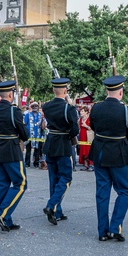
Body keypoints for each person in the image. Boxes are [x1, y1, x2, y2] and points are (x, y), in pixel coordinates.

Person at [88, 76, 128, 242]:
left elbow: (94, 127)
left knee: (102, 193)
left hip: (100, 153)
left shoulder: (96, 108)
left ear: (106, 91)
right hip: (119, 154)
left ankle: (102, 231)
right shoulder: (126, 111)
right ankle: (115, 228)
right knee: (125, 191)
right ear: (121, 92)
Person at [0, 80, 29, 232]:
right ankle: (1, 213)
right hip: (11, 149)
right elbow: (24, 133)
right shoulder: (14, 111)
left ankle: (6, 220)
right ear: (11, 94)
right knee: (21, 184)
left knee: (3, 184)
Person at [41, 77, 80, 225]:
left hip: (51, 143)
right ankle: (52, 205)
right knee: (65, 178)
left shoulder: (47, 106)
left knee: (54, 178)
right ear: (65, 90)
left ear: (53, 90)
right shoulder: (68, 108)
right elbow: (74, 129)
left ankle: (57, 210)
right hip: (63, 144)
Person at [23, 102, 44, 168]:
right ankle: (27, 163)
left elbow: (42, 126)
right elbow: (24, 124)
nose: (35, 107)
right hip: (30, 135)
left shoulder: (40, 115)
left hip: (38, 135)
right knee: (28, 150)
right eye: (33, 106)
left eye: (36, 106)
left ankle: (36, 162)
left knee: (37, 150)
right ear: (31, 107)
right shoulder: (27, 115)